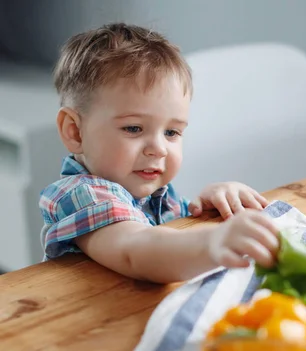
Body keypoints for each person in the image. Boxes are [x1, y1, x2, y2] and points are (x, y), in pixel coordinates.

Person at [39, 23, 280, 283]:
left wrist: (208, 205)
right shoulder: (82, 194)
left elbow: (176, 237)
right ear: (75, 132)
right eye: (133, 128)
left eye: (172, 133)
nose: (159, 149)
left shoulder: (154, 192)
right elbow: (136, 249)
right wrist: (213, 242)